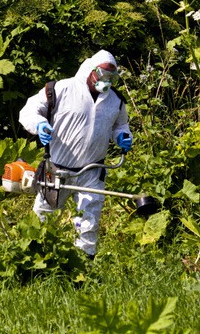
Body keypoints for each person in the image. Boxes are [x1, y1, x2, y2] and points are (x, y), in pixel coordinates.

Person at [19, 50, 133, 258]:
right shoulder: (60, 89)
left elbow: (121, 124)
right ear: (91, 71)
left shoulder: (115, 100)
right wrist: (40, 124)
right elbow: (28, 111)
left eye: (111, 77)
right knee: (44, 215)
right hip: (58, 169)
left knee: (89, 222)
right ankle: (35, 259)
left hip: (93, 170)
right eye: (103, 75)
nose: (106, 81)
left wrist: (123, 136)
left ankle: (84, 264)